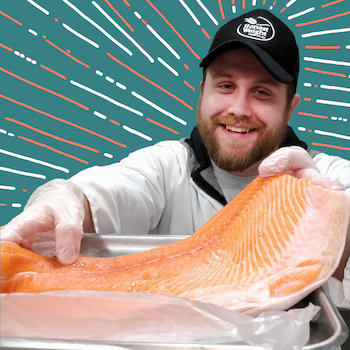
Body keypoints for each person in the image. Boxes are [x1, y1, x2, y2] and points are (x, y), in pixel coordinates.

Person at [1, 9, 349, 308]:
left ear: (290, 107)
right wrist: (65, 198)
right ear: (202, 93)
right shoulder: (167, 166)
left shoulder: (327, 177)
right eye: (225, 85)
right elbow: (111, 192)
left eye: (261, 92)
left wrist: (334, 223)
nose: (239, 109)